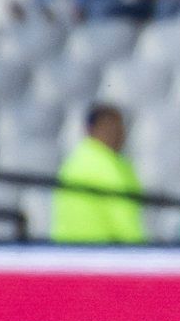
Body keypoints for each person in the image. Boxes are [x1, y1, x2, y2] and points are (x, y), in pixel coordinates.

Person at [50, 104, 145, 244]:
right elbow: (125, 220)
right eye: (112, 128)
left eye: (120, 129)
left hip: (69, 253)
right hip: (103, 255)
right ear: (93, 130)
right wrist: (141, 253)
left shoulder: (73, 162)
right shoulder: (106, 165)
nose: (119, 134)